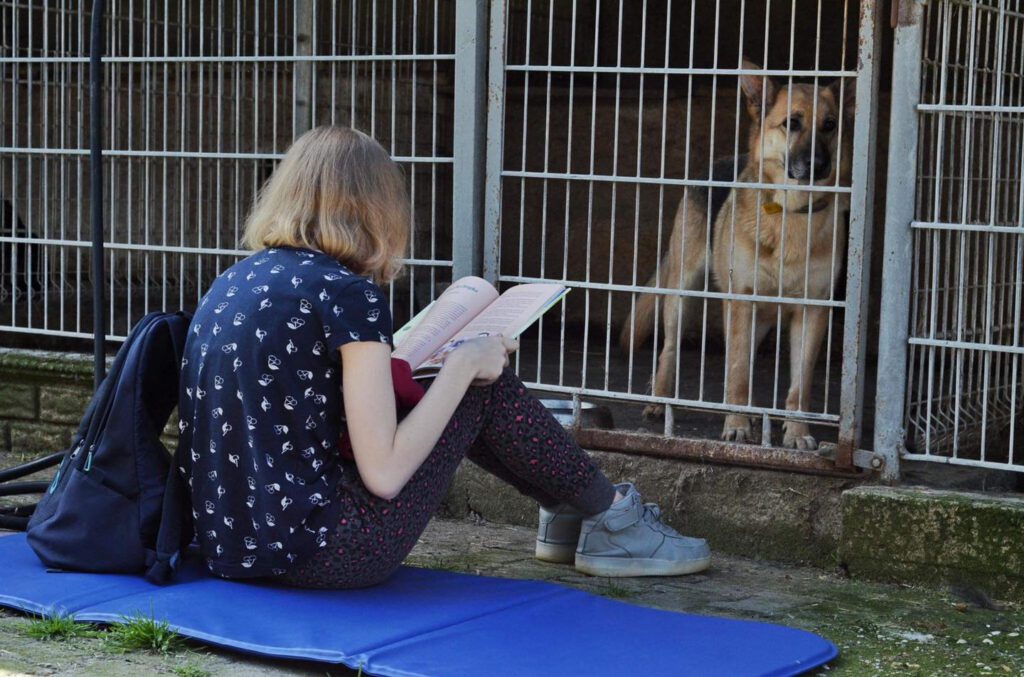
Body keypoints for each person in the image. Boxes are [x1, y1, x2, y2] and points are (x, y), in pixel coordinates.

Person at [177, 125, 711, 588]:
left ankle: (572, 510)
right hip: (323, 553)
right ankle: (606, 517)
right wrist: (459, 367)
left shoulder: (234, 279)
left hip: (228, 546)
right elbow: (384, 475)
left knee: (455, 379)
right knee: (482, 385)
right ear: (377, 208)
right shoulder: (346, 294)